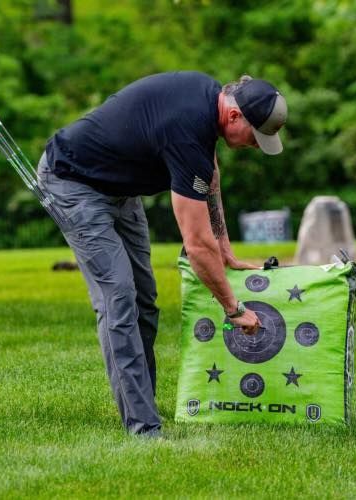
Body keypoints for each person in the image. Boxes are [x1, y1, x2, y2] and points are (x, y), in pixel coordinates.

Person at [37, 71, 287, 436]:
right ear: (234, 116)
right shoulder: (187, 127)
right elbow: (196, 245)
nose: (255, 145)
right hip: (73, 183)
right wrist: (234, 309)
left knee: (146, 301)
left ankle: (144, 403)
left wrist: (226, 249)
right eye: (255, 136)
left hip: (120, 190)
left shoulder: (207, 106)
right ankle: (143, 426)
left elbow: (209, 176)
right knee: (118, 298)